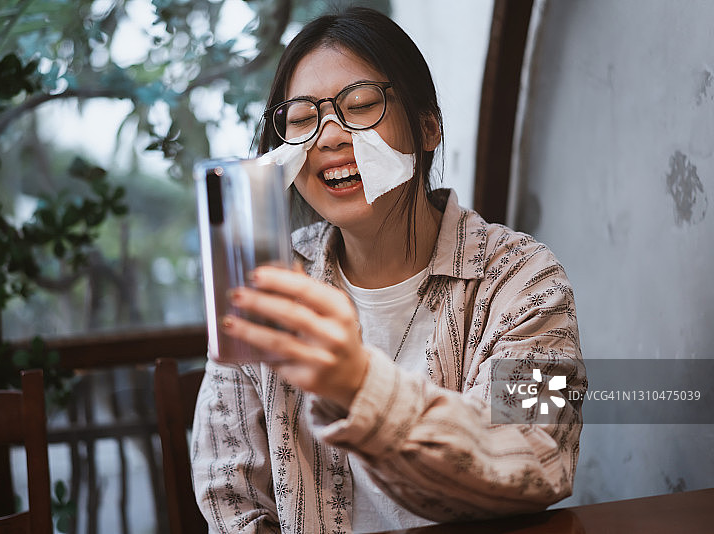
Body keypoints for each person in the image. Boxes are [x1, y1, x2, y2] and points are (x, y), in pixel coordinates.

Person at [190, 7, 585, 533]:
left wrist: (359, 387)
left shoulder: (525, 281)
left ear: (428, 127)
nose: (328, 138)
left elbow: (537, 455)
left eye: (360, 106)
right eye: (303, 119)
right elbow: (230, 499)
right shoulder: (268, 286)